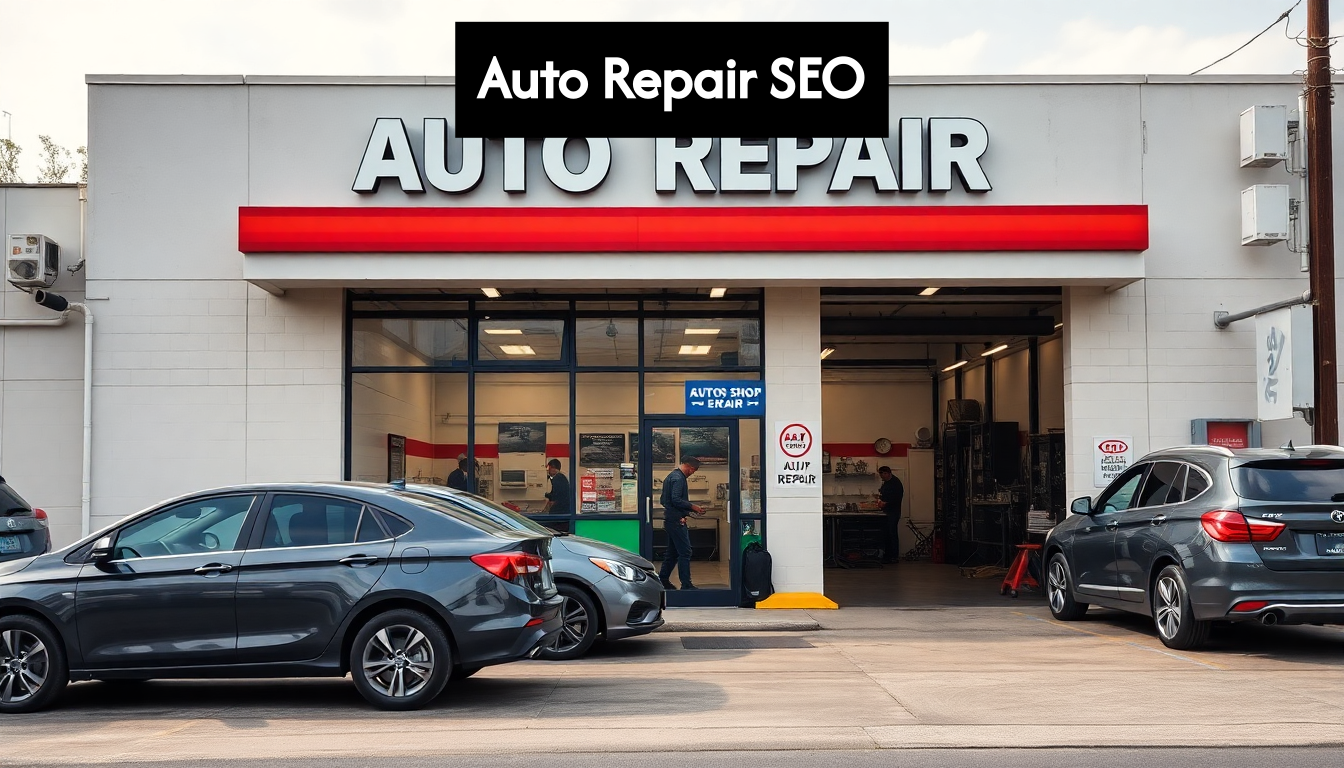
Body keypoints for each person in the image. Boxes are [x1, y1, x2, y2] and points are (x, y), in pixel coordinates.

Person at [658, 455, 705, 590]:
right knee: (685, 552)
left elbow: (664, 500)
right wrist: (692, 507)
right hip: (676, 521)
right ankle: (686, 584)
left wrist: (684, 512)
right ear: (690, 468)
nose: (693, 473)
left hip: (671, 519)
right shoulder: (679, 479)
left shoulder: (670, 477)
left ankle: (663, 580)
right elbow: (676, 499)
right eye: (694, 470)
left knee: (672, 553)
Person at [875, 465, 904, 564]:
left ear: (887, 473)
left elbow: (896, 498)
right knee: (887, 534)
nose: (881, 477)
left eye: (882, 475)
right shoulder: (886, 483)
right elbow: (882, 494)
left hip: (893, 512)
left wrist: (885, 503)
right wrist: (879, 499)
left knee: (892, 533)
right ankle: (887, 555)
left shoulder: (896, 483)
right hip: (887, 512)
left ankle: (894, 556)